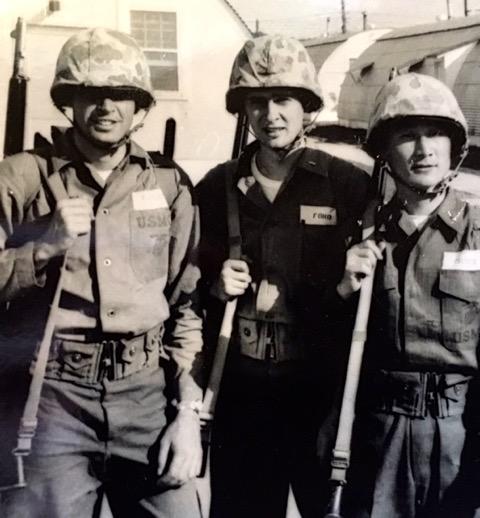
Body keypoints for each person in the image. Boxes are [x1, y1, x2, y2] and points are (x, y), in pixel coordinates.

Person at [0, 27, 203, 518]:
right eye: (91, 94)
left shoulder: (169, 184)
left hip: (147, 398)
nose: (107, 107)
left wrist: (189, 413)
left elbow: (185, 306)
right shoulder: (21, 178)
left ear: (139, 106)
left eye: (122, 94)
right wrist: (43, 248)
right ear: (69, 101)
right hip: (51, 401)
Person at [196, 34, 371, 518]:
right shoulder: (217, 187)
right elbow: (187, 283)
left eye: (282, 100)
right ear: (243, 110)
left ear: (306, 106)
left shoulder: (348, 185)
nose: (270, 114)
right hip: (243, 391)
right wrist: (214, 285)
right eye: (257, 102)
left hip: (319, 391)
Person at [339, 72, 480, 518]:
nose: (424, 150)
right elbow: (329, 346)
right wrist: (343, 288)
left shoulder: (477, 234)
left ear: (454, 146)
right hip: (379, 436)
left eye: (436, 134)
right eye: (407, 136)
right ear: (383, 150)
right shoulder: (361, 235)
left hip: (462, 433)